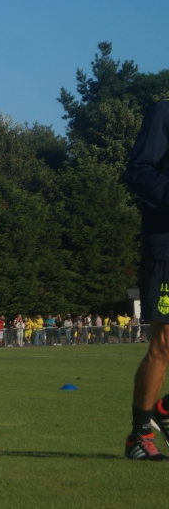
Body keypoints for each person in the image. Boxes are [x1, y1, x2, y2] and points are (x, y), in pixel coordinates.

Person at [124, 100, 169, 459]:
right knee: (165, 345)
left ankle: (164, 409)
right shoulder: (164, 113)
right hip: (167, 250)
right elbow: (138, 170)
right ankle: (139, 436)